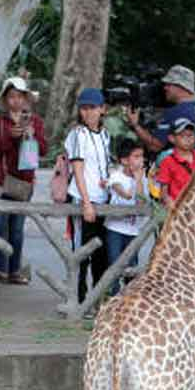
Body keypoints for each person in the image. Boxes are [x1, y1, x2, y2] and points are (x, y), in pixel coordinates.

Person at [0, 75, 46, 286]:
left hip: (22, 183)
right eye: (12, 97)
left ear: (26, 98)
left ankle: (14, 271)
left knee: (17, 230)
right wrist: (10, 136)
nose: (16, 101)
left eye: (20, 96)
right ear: (6, 99)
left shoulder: (35, 121)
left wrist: (31, 136)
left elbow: (43, 151)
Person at [65, 88, 113, 307]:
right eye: (84, 108)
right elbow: (78, 168)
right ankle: (78, 299)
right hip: (84, 199)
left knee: (101, 253)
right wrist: (86, 203)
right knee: (81, 252)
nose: (88, 113)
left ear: (102, 109)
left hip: (104, 199)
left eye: (92, 108)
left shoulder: (105, 135)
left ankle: (97, 300)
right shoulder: (77, 134)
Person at [121, 64, 195, 153]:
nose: (165, 88)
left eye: (169, 84)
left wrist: (135, 125)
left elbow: (155, 146)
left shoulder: (176, 112)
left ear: (181, 86)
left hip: (176, 165)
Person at [105, 137, 152, 293]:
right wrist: (134, 184)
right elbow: (123, 193)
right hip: (115, 229)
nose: (141, 160)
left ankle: (129, 298)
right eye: (136, 156)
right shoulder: (116, 176)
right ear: (124, 160)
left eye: (142, 156)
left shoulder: (142, 179)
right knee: (114, 264)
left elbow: (140, 203)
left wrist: (139, 180)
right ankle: (113, 297)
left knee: (132, 266)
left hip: (133, 231)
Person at [154, 118, 195, 201]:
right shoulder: (167, 162)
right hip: (178, 209)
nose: (188, 139)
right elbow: (163, 192)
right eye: (182, 136)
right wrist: (169, 202)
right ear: (172, 138)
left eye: (190, 135)